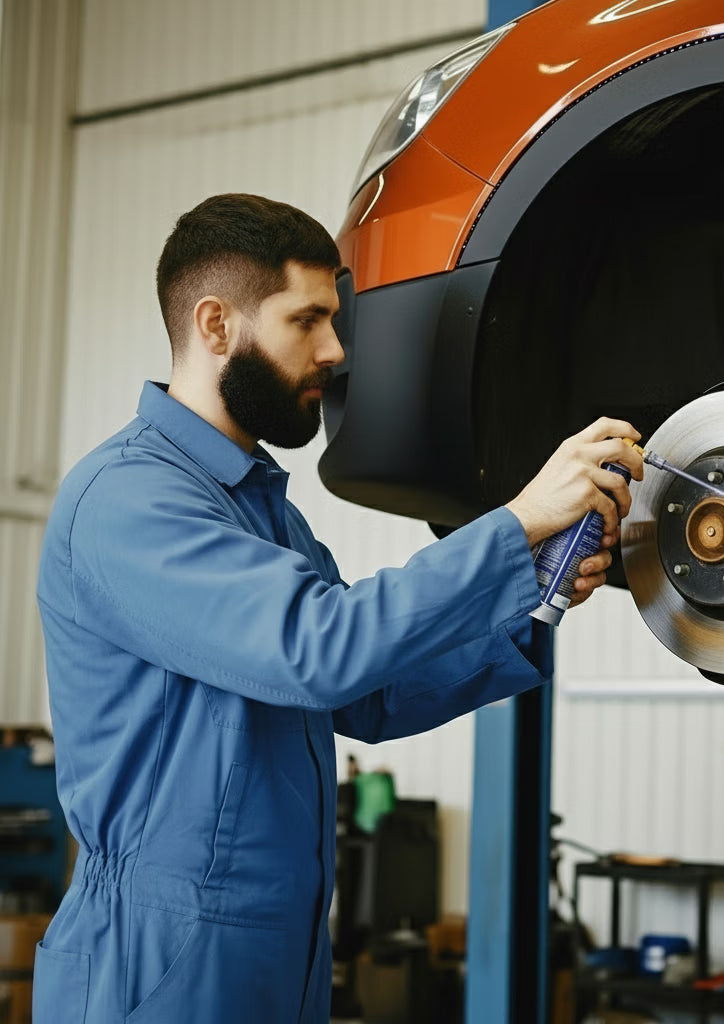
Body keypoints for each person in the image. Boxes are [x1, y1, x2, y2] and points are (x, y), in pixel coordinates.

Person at [33, 193, 643, 1023]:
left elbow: (368, 690)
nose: (334, 349)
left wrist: (530, 600)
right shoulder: (130, 500)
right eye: (307, 320)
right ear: (217, 325)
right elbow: (316, 648)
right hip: (160, 956)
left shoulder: (262, 509)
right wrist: (515, 524)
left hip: (281, 947)